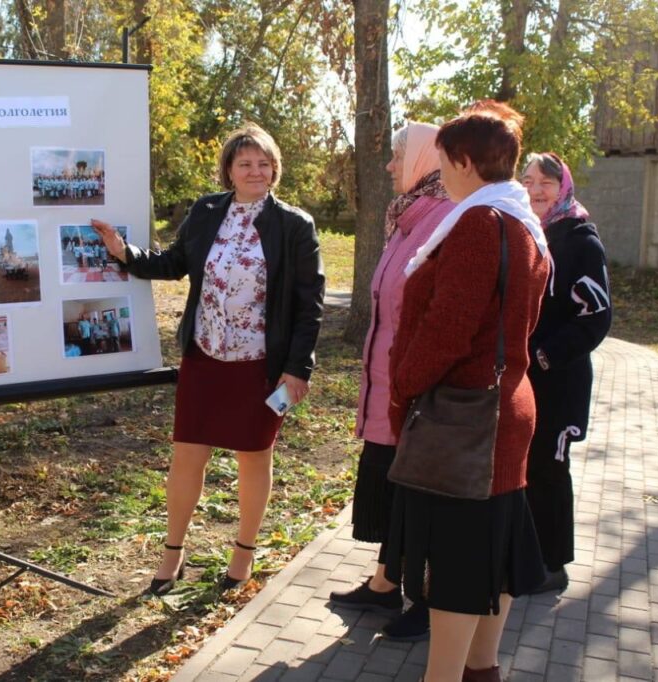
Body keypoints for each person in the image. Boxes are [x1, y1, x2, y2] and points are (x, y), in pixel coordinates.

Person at [92, 122, 325, 595]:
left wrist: (298, 369)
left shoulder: (294, 225)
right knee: (186, 457)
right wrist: (125, 253)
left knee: (254, 459)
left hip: (259, 366)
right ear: (229, 170)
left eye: (264, 163)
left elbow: (310, 302)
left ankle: (243, 553)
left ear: (275, 169)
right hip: (205, 357)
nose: (255, 171)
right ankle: (172, 553)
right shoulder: (207, 211)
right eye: (245, 163)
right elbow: (174, 262)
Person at [384, 102, 549, 682]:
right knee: (493, 553)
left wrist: (402, 389)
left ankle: (445, 677)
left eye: (447, 161)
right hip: (501, 408)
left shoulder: (481, 224)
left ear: (463, 160)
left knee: (457, 563)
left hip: (465, 417)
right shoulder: (520, 220)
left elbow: (447, 329)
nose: (442, 173)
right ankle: (482, 670)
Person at [328, 122, 455, 643]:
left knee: (417, 495)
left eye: (398, 153)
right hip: (387, 384)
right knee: (392, 487)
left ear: (427, 158)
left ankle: (428, 600)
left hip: (412, 388)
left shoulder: (443, 216)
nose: (388, 164)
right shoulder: (409, 215)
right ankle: (385, 583)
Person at [520, 152, 612, 594]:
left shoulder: (579, 239)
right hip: (526, 379)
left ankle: (553, 565)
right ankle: (528, 554)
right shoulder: (533, 233)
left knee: (549, 468)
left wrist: (545, 355)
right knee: (526, 466)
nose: (536, 191)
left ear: (564, 187)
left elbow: (596, 315)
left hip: (558, 379)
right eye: (529, 181)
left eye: (546, 184)